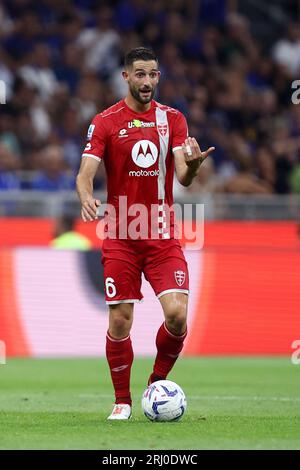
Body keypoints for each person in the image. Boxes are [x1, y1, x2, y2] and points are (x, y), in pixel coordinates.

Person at [76, 47, 214, 420]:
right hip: (121, 234)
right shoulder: (105, 121)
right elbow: (85, 171)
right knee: (120, 319)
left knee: (177, 316)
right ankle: (121, 400)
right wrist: (87, 197)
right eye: (140, 74)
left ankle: (155, 387)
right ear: (125, 77)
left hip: (161, 235)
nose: (148, 81)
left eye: (153, 74)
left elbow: (183, 175)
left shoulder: (173, 119)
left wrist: (195, 169)